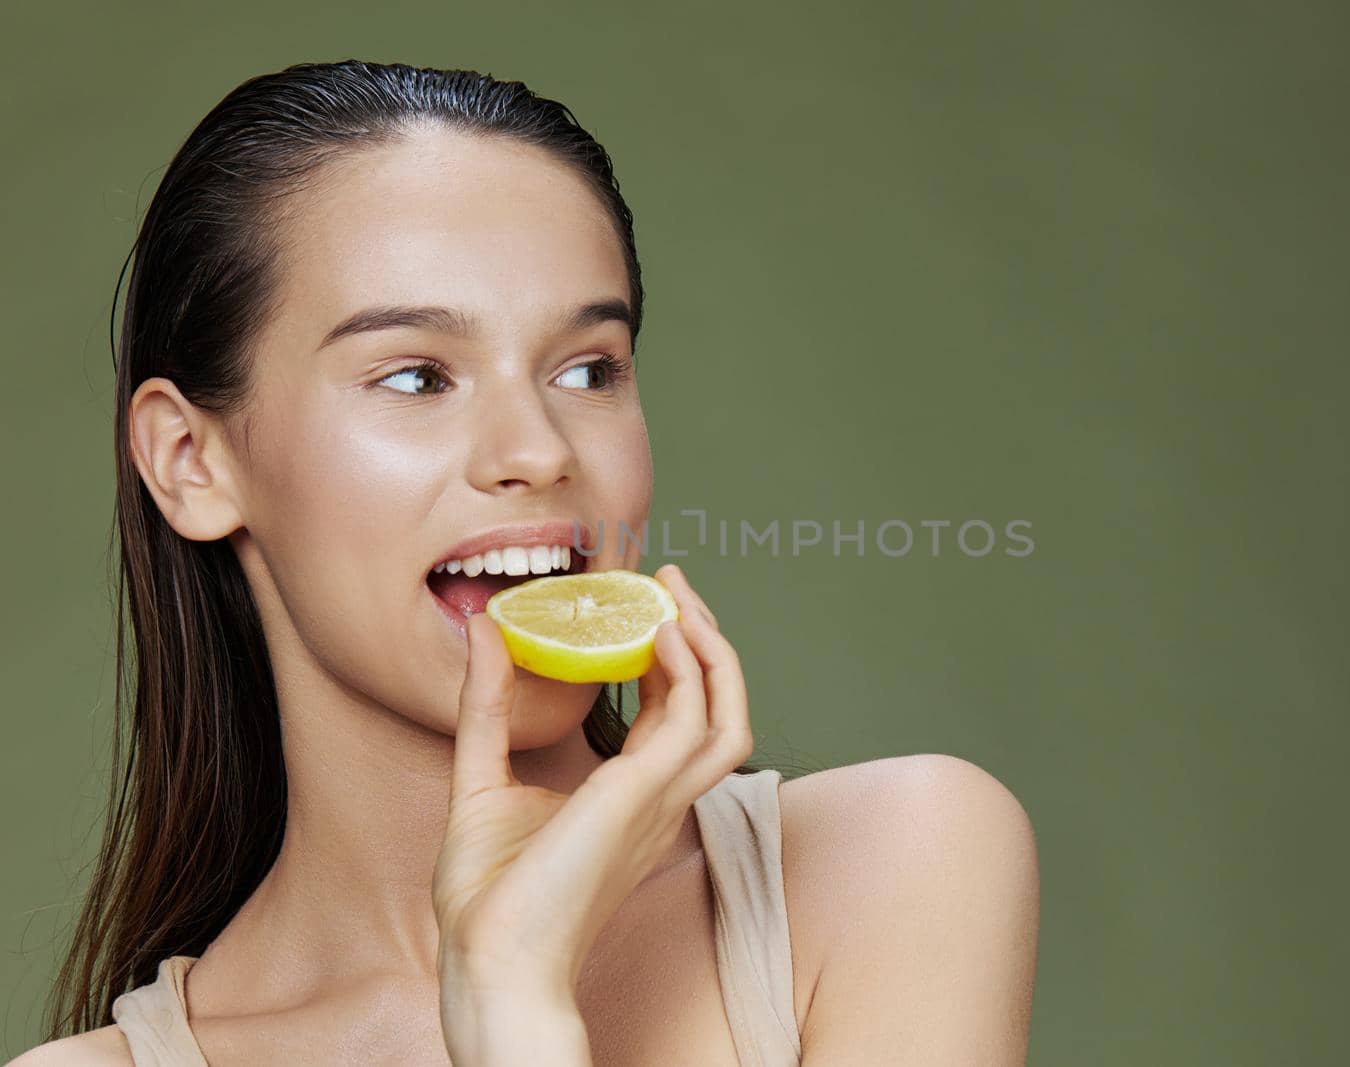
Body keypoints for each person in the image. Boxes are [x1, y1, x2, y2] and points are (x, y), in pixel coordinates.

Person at [11, 60, 1039, 1066]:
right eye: (417, 375)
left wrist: (515, 999)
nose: (540, 450)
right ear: (193, 462)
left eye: (588, 368)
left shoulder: (892, 863)